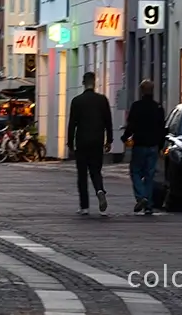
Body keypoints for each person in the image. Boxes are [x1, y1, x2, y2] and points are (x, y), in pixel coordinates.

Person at [67, 71, 113, 216]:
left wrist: (70, 143)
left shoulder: (77, 101)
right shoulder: (102, 100)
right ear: (95, 82)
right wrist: (109, 140)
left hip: (82, 141)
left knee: (82, 174)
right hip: (97, 140)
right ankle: (99, 190)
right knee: (95, 170)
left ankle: (84, 206)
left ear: (83, 83)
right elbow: (108, 121)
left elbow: (72, 124)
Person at [121, 78, 166, 215]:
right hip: (153, 145)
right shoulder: (158, 107)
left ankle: (141, 197)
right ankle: (148, 204)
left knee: (135, 171)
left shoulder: (136, 106)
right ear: (152, 91)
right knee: (149, 174)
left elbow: (131, 125)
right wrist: (160, 145)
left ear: (141, 91)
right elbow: (162, 129)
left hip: (140, 144)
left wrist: (125, 137)